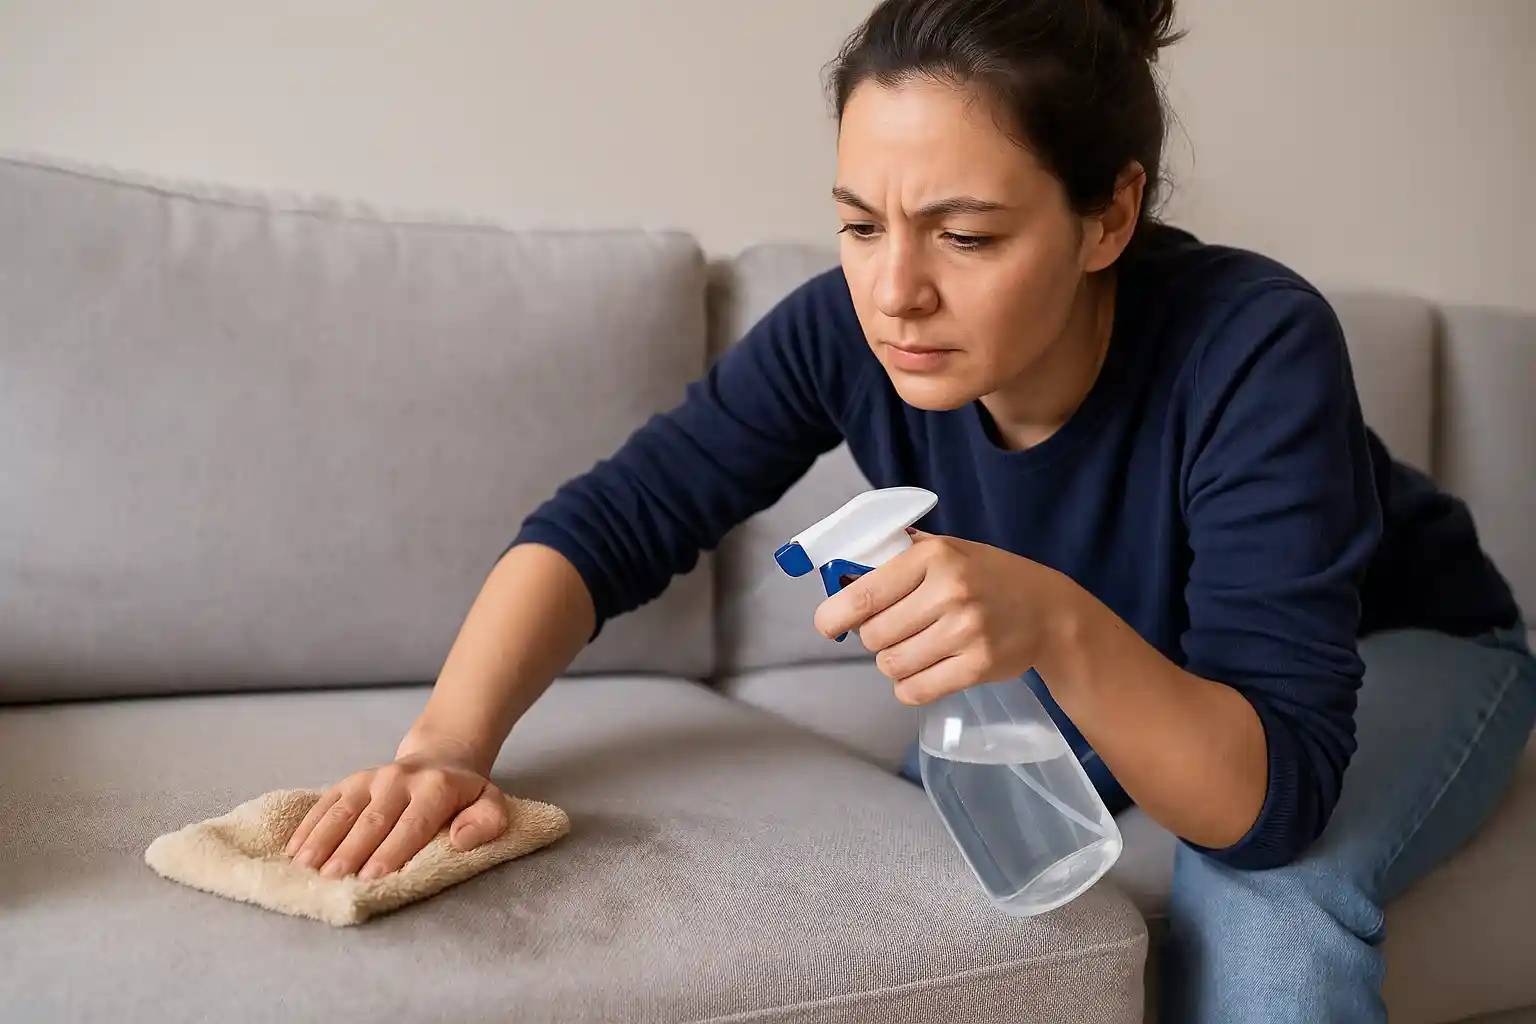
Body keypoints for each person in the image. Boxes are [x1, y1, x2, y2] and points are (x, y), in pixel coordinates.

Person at [284, 0, 1535, 1019]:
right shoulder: (847, 328)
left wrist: (1053, 623)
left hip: (1397, 644)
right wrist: (445, 747)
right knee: (932, 839)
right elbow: (612, 521)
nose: (896, 293)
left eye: (967, 236)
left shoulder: (1253, 345)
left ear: (1110, 214)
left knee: (1266, 908)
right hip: (1137, 663)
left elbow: (1270, 805)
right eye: (858, 223)